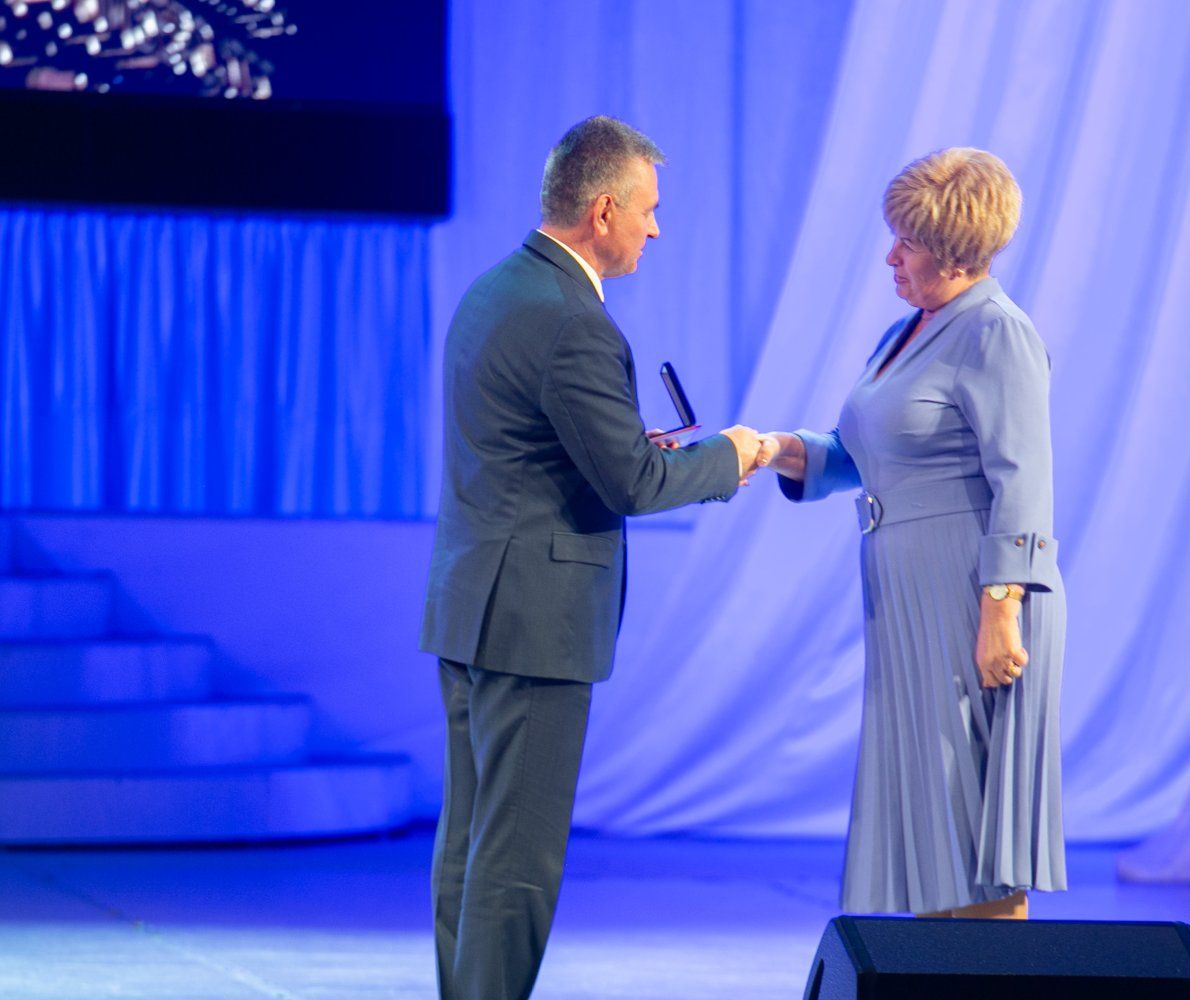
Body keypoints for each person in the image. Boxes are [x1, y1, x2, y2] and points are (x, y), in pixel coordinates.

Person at [420, 115, 763, 1000]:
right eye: (649, 210)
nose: (657, 229)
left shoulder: (496, 289)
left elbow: (531, 447)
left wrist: (628, 448)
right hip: (533, 626)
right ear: (604, 210)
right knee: (517, 861)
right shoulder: (575, 322)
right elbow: (634, 484)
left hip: (473, 606)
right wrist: (731, 455)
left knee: (470, 841)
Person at [756, 147, 1065, 919]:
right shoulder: (911, 330)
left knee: (969, 823)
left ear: (956, 252)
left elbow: (1023, 478)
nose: (890, 257)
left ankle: (989, 973)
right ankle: (938, 972)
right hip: (907, 594)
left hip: (970, 593)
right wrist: (777, 449)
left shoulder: (996, 332)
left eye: (909, 243)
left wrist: (1000, 611)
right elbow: (863, 452)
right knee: (931, 819)